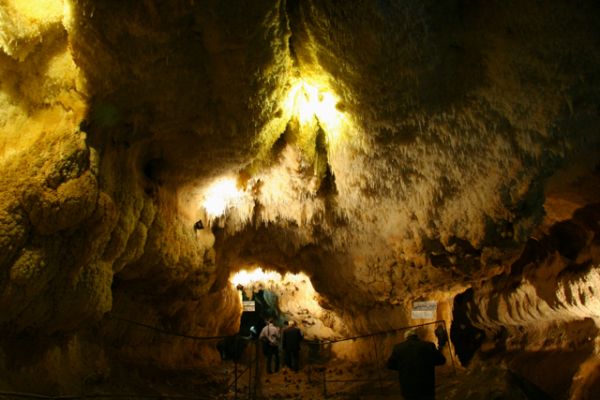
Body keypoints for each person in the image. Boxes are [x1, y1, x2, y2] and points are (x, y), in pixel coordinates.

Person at [386, 326, 446, 400]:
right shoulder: (429, 346)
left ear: (406, 337)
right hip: (426, 387)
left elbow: (390, 365)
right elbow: (442, 360)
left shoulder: (398, 348)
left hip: (408, 388)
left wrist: (402, 367)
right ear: (417, 337)